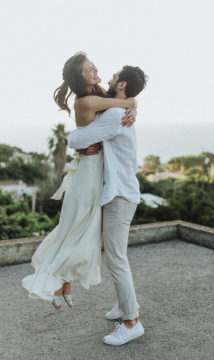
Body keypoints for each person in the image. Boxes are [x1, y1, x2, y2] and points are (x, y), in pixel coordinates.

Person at [21, 52, 136, 310]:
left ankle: (64, 281)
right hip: (88, 175)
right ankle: (53, 279)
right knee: (77, 228)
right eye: (89, 69)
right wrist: (131, 105)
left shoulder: (98, 97)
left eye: (94, 65)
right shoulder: (84, 102)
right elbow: (122, 104)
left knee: (82, 229)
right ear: (79, 77)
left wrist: (132, 105)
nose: (95, 69)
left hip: (97, 172)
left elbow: (122, 103)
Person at [68, 65, 148, 345]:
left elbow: (77, 139)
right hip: (119, 193)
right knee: (116, 256)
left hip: (119, 195)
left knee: (116, 258)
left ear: (122, 84)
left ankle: (131, 321)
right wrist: (132, 103)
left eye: (115, 77)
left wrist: (74, 138)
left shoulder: (115, 115)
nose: (110, 78)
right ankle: (123, 306)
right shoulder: (118, 109)